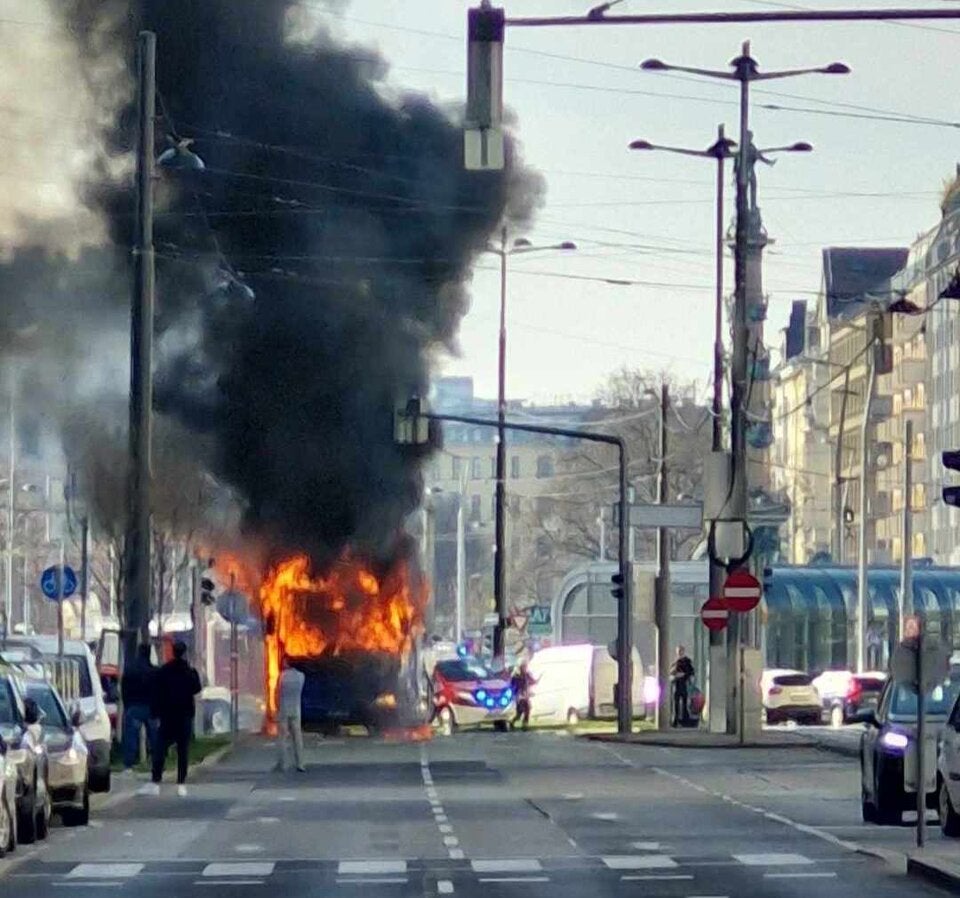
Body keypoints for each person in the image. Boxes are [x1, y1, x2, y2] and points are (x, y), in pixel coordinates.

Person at [145, 641, 201, 796]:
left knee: (160, 748)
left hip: (167, 716)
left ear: (173, 652)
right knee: (183, 750)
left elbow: (156, 693)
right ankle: (181, 783)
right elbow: (197, 688)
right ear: (185, 653)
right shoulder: (189, 671)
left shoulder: (164, 671)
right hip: (184, 716)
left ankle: (156, 780)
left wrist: (155, 713)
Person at [121, 644, 157, 773]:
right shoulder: (154, 671)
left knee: (131, 736)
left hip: (134, 706)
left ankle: (128, 765)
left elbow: (124, 689)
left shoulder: (130, 670)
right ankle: (156, 762)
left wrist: (127, 705)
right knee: (154, 737)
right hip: (151, 708)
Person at [275, 657, 306, 772]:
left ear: (286, 663)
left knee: (283, 738)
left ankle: (283, 764)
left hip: (284, 709)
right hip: (296, 710)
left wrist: (277, 708)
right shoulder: (301, 676)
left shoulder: (282, 676)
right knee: (298, 738)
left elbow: (277, 693)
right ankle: (300, 763)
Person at [670, 645, 695, 727]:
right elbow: (670, 672)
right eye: (678, 651)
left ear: (683, 651)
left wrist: (683, 675)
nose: (679, 653)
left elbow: (691, 672)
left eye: (680, 651)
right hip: (676, 685)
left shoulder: (687, 661)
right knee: (676, 704)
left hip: (684, 684)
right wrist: (674, 675)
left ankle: (684, 720)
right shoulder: (675, 662)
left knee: (684, 703)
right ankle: (676, 720)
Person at [510, 661, 537, 731]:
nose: (524, 668)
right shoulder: (516, 676)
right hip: (519, 696)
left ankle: (525, 725)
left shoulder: (527, 675)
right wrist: (516, 694)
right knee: (520, 712)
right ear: (520, 668)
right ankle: (512, 722)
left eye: (525, 667)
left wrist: (535, 681)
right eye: (523, 667)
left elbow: (532, 682)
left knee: (527, 710)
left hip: (526, 696)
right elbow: (512, 685)